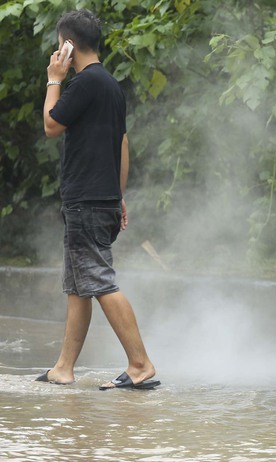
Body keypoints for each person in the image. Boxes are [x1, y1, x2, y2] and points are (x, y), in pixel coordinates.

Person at [37, 10, 159, 391]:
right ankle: (64, 367)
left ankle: (139, 364)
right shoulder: (111, 86)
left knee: (101, 282)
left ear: (68, 45)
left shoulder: (84, 84)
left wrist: (54, 80)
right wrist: (118, 196)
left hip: (86, 201)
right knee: (79, 286)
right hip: (102, 198)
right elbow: (122, 144)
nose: (58, 52)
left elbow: (51, 125)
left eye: (60, 45)